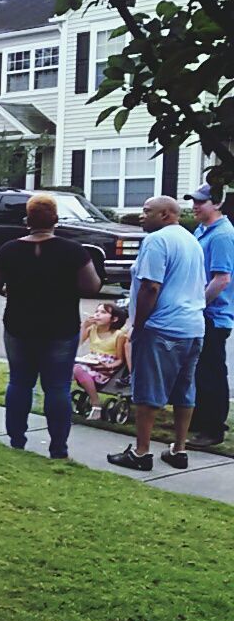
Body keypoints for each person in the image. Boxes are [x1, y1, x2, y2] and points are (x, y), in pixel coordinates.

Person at [0, 194, 101, 459]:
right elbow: (92, 286)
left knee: (19, 383)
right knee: (58, 387)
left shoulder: (10, 249)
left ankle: (16, 440)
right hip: (60, 327)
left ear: (27, 220)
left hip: (18, 326)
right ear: (56, 220)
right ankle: (58, 447)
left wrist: (7, 289)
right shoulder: (72, 250)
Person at [109, 196, 207, 471]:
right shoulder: (191, 241)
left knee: (147, 391)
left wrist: (139, 325)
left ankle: (141, 454)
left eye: (146, 211)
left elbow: (151, 287)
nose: (141, 215)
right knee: (184, 390)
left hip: (162, 328)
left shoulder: (157, 241)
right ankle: (179, 449)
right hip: (192, 327)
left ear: (165, 215)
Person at [187, 184, 234, 448]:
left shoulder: (222, 235)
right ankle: (199, 420)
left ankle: (213, 429)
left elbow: (222, 279)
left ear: (216, 204)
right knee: (198, 370)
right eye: (193, 201)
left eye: (200, 202)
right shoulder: (203, 230)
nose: (194, 206)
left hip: (214, 315)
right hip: (203, 313)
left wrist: (197, 304)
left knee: (211, 372)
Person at [73, 303, 130, 419]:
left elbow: (120, 360)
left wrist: (109, 366)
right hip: (90, 363)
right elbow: (75, 345)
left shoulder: (119, 335)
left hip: (105, 369)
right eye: (97, 311)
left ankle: (96, 403)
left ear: (114, 319)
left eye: (103, 312)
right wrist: (84, 326)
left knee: (77, 369)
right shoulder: (91, 330)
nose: (97, 314)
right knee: (70, 367)